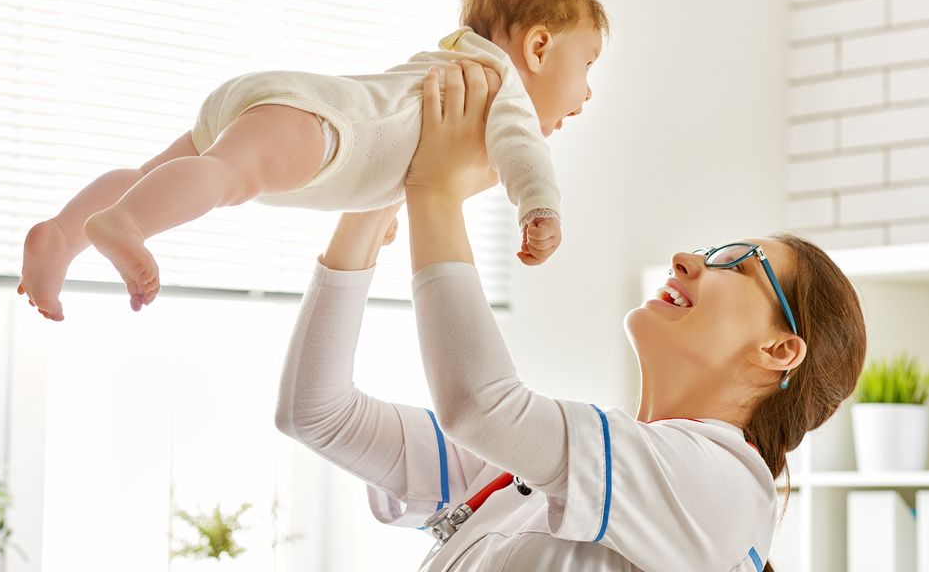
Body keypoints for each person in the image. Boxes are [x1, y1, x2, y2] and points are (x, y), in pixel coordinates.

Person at [274, 62, 867, 570]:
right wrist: (379, 194)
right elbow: (317, 414)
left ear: (780, 350)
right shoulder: (547, 465)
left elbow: (481, 405)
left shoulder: (723, 486)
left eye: (737, 265)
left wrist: (435, 190)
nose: (687, 259)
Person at [16, 0, 608, 321]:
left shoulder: (450, 62)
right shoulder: (494, 84)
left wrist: (382, 205)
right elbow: (522, 149)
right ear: (536, 47)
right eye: (587, 67)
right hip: (325, 129)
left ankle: (63, 237)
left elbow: (398, 144)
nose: (587, 94)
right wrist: (539, 206)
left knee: (157, 176)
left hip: (289, 105)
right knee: (228, 178)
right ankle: (127, 224)